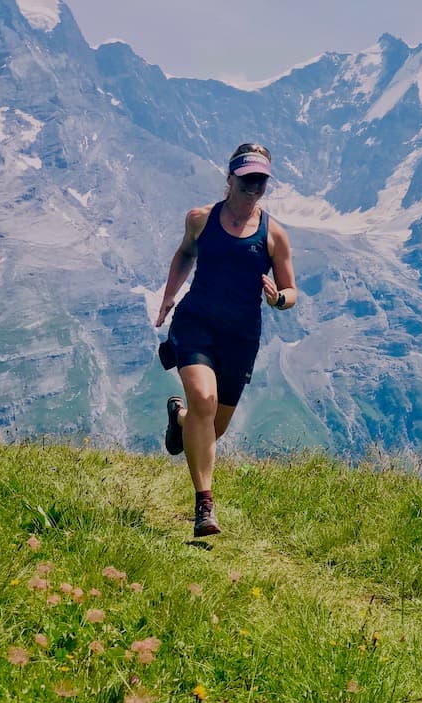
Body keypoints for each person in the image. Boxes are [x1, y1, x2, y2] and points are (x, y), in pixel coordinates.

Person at [154, 143, 297, 537]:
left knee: (211, 428)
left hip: (240, 336)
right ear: (230, 179)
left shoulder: (274, 236)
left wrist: (279, 299)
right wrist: (168, 298)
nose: (254, 188)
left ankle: (179, 420)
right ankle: (205, 507)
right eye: (247, 179)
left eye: (261, 181)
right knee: (205, 399)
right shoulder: (200, 219)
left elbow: (291, 291)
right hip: (196, 323)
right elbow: (185, 254)